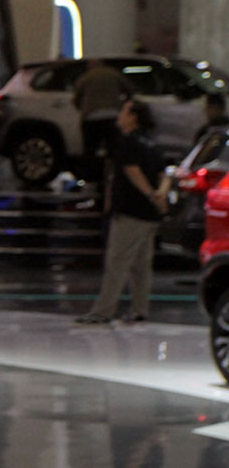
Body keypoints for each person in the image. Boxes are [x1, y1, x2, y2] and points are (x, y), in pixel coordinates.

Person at [76, 99, 167, 324]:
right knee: (141, 265)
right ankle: (140, 309)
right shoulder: (152, 142)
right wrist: (160, 196)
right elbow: (165, 173)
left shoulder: (127, 141)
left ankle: (103, 311)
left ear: (133, 117)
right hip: (150, 214)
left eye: (124, 111)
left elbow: (131, 170)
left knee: (117, 262)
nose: (119, 115)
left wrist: (149, 193)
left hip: (130, 211)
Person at [72, 59, 131, 179]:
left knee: (90, 150)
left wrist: (83, 108)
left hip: (91, 117)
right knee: (114, 148)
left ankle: (91, 177)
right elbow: (129, 90)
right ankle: (115, 175)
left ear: (90, 66)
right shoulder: (114, 74)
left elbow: (76, 99)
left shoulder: (85, 77)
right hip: (112, 115)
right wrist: (124, 105)